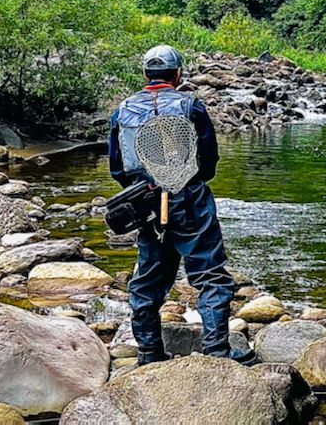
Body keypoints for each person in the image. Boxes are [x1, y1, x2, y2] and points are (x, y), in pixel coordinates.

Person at [108, 44, 257, 366]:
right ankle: (217, 350)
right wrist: (187, 184)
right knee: (210, 274)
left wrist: (143, 191)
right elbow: (208, 161)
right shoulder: (191, 105)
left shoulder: (122, 110)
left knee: (148, 278)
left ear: (145, 74)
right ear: (178, 75)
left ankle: (149, 353)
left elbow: (117, 168)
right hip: (190, 199)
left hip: (144, 202)